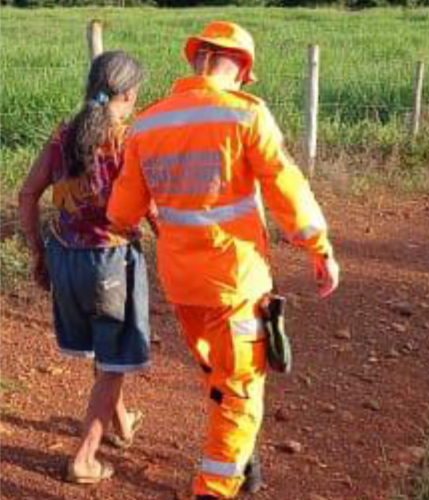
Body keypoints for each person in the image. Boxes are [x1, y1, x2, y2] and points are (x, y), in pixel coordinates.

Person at [107, 21, 340, 500]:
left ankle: (244, 461)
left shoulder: (147, 123)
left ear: (197, 59)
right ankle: (215, 488)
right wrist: (319, 248)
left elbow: (121, 214)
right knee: (237, 391)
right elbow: (286, 187)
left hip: (182, 284)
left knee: (219, 377)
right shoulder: (245, 115)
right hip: (235, 283)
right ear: (236, 66)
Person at [18, 51, 152, 484]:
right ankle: (84, 459)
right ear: (130, 93)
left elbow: (27, 195)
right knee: (114, 361)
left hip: (64, 257)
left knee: (102, 343)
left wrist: (39, 253)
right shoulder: (130, 140)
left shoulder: (64, 135)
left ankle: (122, 423)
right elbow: (153, 211)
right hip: (110, 261)